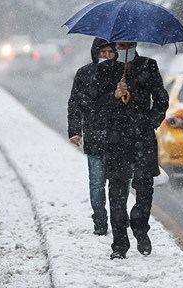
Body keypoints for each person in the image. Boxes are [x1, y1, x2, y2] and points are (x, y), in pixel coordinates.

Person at [88, 41, 169, 259]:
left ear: (135, 43)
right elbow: (95, 105)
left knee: (144, 189)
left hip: (142, 139)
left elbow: (161, 99)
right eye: (121, 43)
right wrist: (114, 95)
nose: (125, 46)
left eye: (129, 43)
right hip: (116, 140)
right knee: (117, 192)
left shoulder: (149, 66)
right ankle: (119, 243)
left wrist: (150, 122)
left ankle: (141, 228)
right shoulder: (105, 70)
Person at [67, 38, 116, 236]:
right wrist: (75, 130)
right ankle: (100, 222)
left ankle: (118, 221)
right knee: (96, 183)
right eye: (102, 52)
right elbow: (75, 103)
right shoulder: (84, 73)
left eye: (110, 52)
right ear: (95, 53)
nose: (106, 56)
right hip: (95, 135)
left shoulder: (122, 73)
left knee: (117, 184)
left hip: (118, 138)